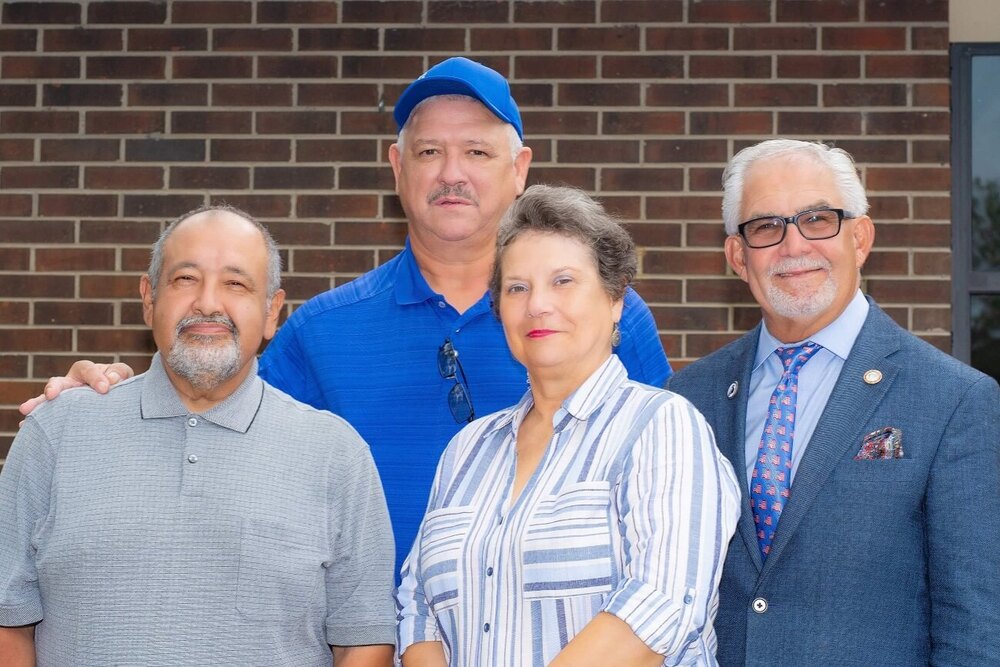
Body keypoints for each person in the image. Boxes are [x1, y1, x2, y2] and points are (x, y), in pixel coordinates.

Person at [19, 57, 671, 572]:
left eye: (475, 151)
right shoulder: (320, 331)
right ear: (396, 168)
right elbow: (209, 418)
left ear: (519, 168)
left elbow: (666, 482)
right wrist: (109, 398)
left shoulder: (607, 317)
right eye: (427, 152)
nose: (451, 174)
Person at [0, 206, 395, 666]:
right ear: (149, 299)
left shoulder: (336, 453)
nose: (208, 303)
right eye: (185, 279)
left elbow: (364, 640)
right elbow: (9, 621)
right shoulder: (56, 432)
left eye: (235, 283)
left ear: (272, 312)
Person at [667, 139, 1000, 665]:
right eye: (766, 227)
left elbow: (976, 629)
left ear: (861, 237)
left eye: (818, 218)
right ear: (738, 256)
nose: (793, 246)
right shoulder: (687, 401)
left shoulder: (954, 402)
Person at [395, 184, 739, 667]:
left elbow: (658, 605)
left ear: (616, 300)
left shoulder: (661, 426)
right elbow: (417, 609)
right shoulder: (466, 449)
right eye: (517, 287)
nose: (538, 304)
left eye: (563, 281)